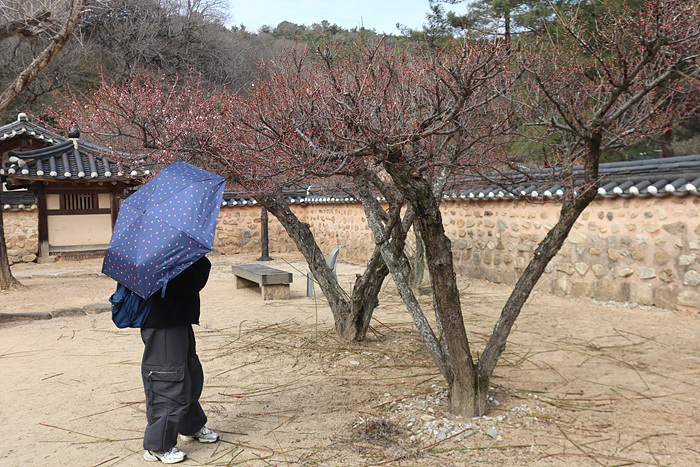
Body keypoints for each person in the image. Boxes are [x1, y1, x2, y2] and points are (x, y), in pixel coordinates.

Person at [140, 256, 219, 464]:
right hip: (162, 322)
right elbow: (190, 284)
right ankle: (158, 446)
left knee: (188, 374)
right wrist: (198, 261)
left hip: (178, 318)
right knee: (167, 381)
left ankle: (190, 426)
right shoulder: (162, 251)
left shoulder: (175, 248)